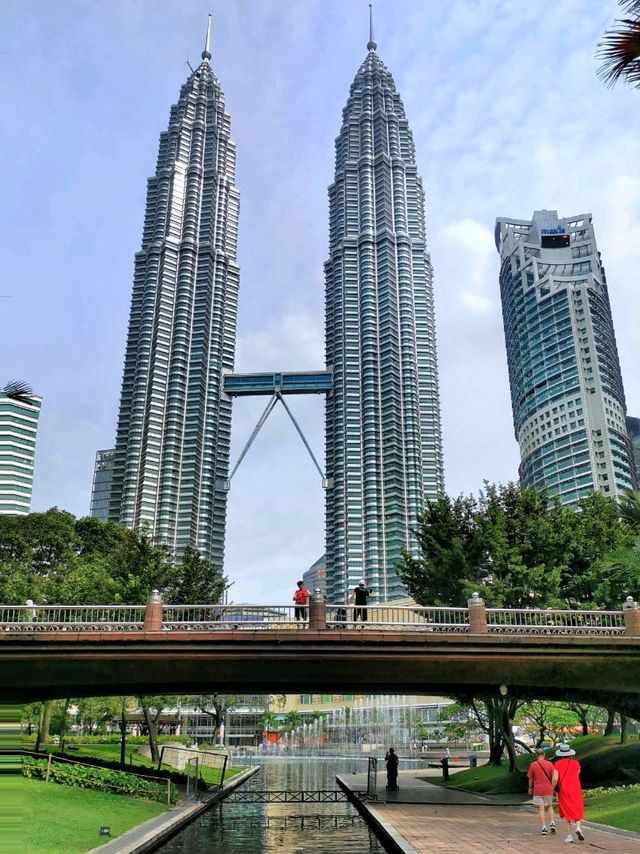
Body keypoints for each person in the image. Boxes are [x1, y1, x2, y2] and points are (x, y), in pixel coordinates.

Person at [552, 743, 585, 843]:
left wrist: (553, 788)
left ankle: (569, 836)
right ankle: (578, 827)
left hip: (564, 789)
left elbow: (555, 778)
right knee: (577, 807)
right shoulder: (576, 763)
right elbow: (578, 773)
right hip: (576, 788)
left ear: (560, 754)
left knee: (566, 812)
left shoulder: (557, 764)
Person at [526, 747, 557, 836]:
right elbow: (553, 777)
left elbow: (531, 778)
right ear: (544, 755)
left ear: (536, 755)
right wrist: (553, 787)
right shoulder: (550, 764)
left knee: (541, 808)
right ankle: (552, 822)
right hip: (548, 788)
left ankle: (544, 827)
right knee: (550, 806)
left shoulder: (533, 765)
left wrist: (530, 787)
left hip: (538, 789)